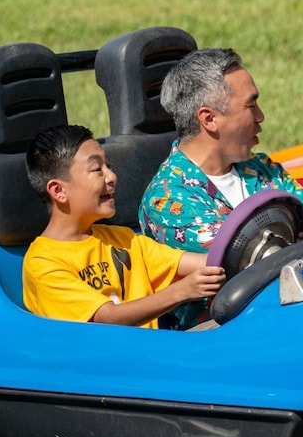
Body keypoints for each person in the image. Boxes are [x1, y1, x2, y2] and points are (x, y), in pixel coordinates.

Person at [139, 46, 303, 329]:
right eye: (251, 106)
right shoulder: (168, 200)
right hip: (224, 339)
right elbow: (254, 273)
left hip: (291, 318)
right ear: (209, 119)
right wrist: (302, 245)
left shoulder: (263, 171)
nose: (261, 116)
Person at [22, 124, 226, 327]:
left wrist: (248, 253)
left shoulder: (123, 239)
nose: (112, 177)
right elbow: (105, 320)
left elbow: (204, 263)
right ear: (58, 191)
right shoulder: (42, 263)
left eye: (109, 167)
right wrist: (181, 291)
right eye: (97, 170)